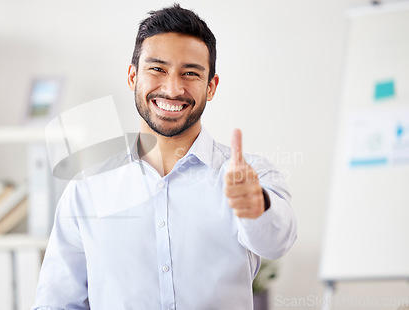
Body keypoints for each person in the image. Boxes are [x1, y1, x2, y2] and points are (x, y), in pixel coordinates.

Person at [33, 4, 296, 310]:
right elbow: (58, 302)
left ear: (211, 86)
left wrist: (256, 206)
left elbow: (277, 242)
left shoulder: (248, 177)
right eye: (157, 69)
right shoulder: (87, 186)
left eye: (190, 73)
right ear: (133, 77)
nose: (173, 89)